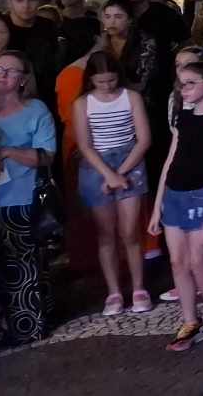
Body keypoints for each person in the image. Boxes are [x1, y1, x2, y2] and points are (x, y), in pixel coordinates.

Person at [0, 52, 56, 345]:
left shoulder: (35, 110)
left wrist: (7, 152)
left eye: (12, 71)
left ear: (23, 79)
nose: (3, 74)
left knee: (23, 264)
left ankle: (29, 325)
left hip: (21, 195)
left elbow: (47, 155)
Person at [149, 60, 203, 352]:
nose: (183, 89)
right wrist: (157, 205)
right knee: (178, 261)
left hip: (201, 196)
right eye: (181, 84)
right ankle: (190, 320)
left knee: (199, 261)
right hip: (174, 195)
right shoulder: (182, 117)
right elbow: (169, 161)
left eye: (190, 83)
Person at [69, 52, 152, 317]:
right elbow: (85, 145)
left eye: (112, 80)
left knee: (130, 232)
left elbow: (144, 140)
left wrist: (121, 173)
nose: (107, 86)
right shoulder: (82, 103)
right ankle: (114, 291)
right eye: (101, 82)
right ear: (90, 80)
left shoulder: (132, 97)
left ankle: (139, 287)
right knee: (106, 234)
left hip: (130, 161)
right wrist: (109, 174)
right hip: (96, 166)